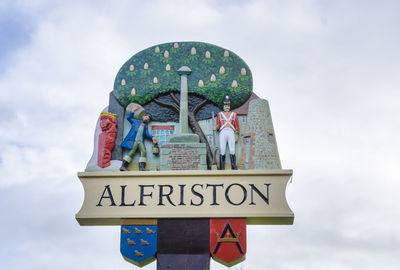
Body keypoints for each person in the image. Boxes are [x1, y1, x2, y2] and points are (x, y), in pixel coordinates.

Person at [120, 106, 158, 171]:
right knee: (132, 152)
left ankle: (141, 167)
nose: (146, 119)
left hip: (140, 141)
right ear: (143, 117)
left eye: (148, 119)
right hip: (134, 140)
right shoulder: (136, 121)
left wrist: (152, 137)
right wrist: (133, 110)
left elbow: (146, 134)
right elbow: (129, 118)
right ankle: (123, 166)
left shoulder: (145, 126)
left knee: (143, 151)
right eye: (146, 117)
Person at [213, 96, 239, 170]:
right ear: (223, 106)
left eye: (228, 105)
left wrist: (236, 135)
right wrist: (216, 127)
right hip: (223, 132)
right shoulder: (220, 114)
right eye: (225, 105)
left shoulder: (234, 114)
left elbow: (236, 126)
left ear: (229, 106)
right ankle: (222, 167)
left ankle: (233, 167)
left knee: (232, 150)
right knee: (222, 149)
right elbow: (219, 124)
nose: (227, 107)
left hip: (231, 132)